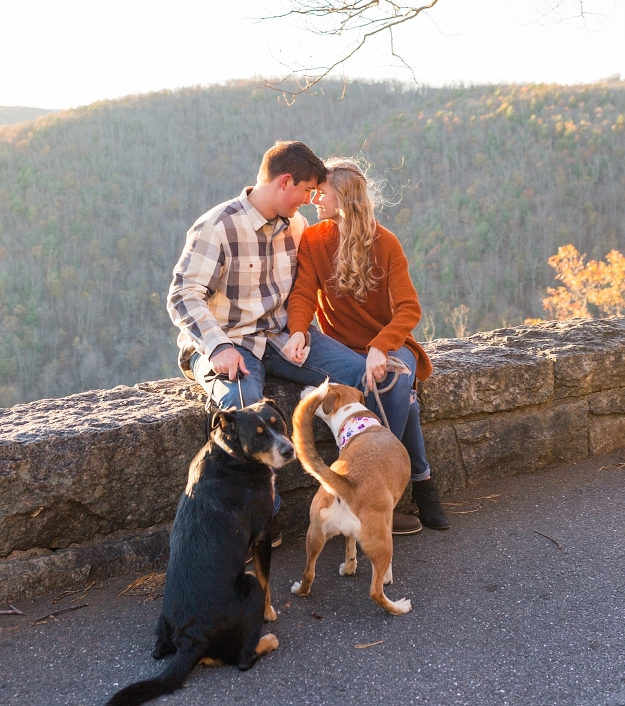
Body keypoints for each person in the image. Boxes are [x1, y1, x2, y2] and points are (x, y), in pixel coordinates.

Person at [167, 139, 328, 545]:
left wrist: (298, 331)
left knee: (357, 374)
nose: (309, 201)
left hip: (281, 337)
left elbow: (299, 292)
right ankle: (261, 523)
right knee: (240, 412)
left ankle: (361, 501)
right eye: (307, 190)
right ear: (285, 181)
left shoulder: (296, 226)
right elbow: (183, 295)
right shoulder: (217, 225)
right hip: (227, 342)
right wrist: (218, 347)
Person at [283, 157, 450, 532]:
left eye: (320, 192)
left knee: (395, 377)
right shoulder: (313, 239)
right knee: (402, 396)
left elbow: (408, 308)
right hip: (342, 348)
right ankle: (420, 482)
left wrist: (381, 344)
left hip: (389, 342)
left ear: (342, 196)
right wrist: (298, 329)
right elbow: (303, 294)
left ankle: (380, 493)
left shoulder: (386, 243)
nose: (313, 199)